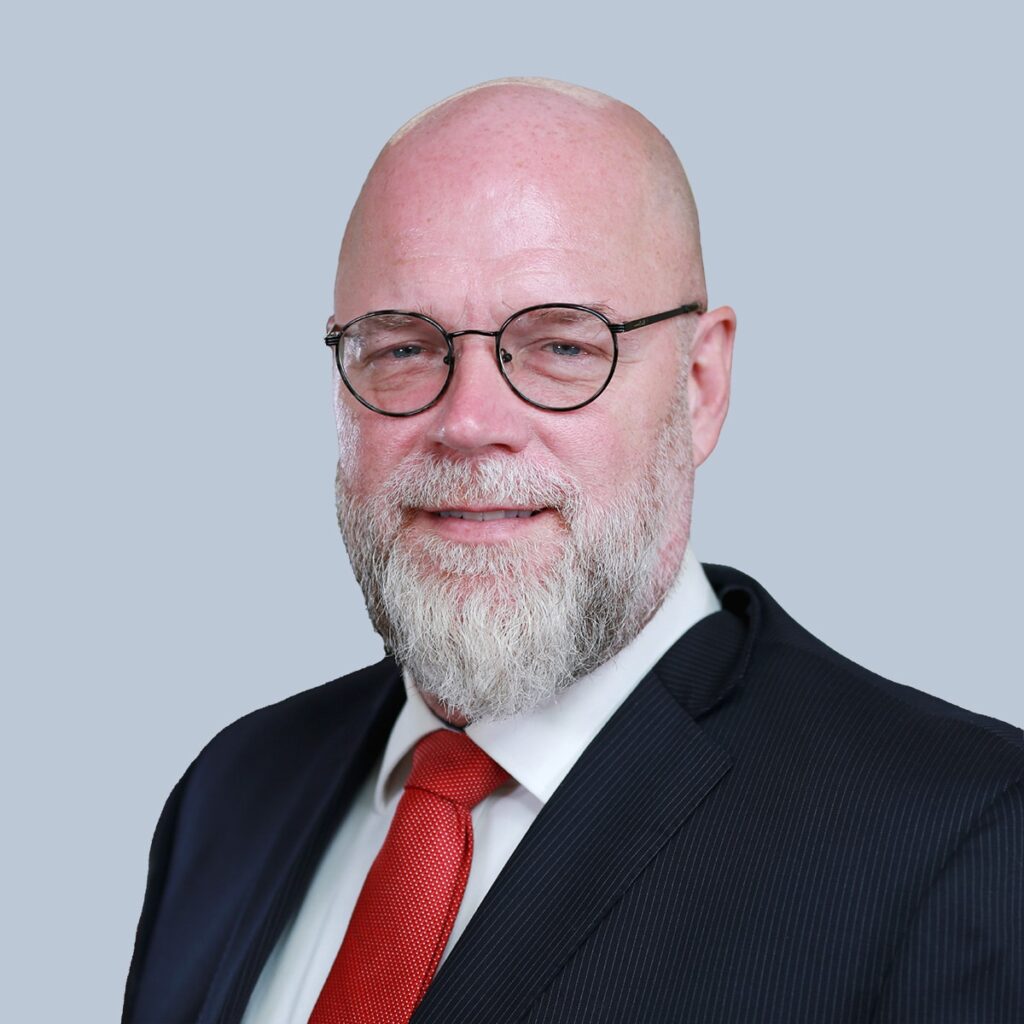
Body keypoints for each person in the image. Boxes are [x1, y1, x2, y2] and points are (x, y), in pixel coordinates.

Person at [123, 79, 1024, 1024]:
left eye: (559, 346)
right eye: (402, 349)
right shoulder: (228, 795)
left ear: (701, 385)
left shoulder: (962, 845)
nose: (468, 422)